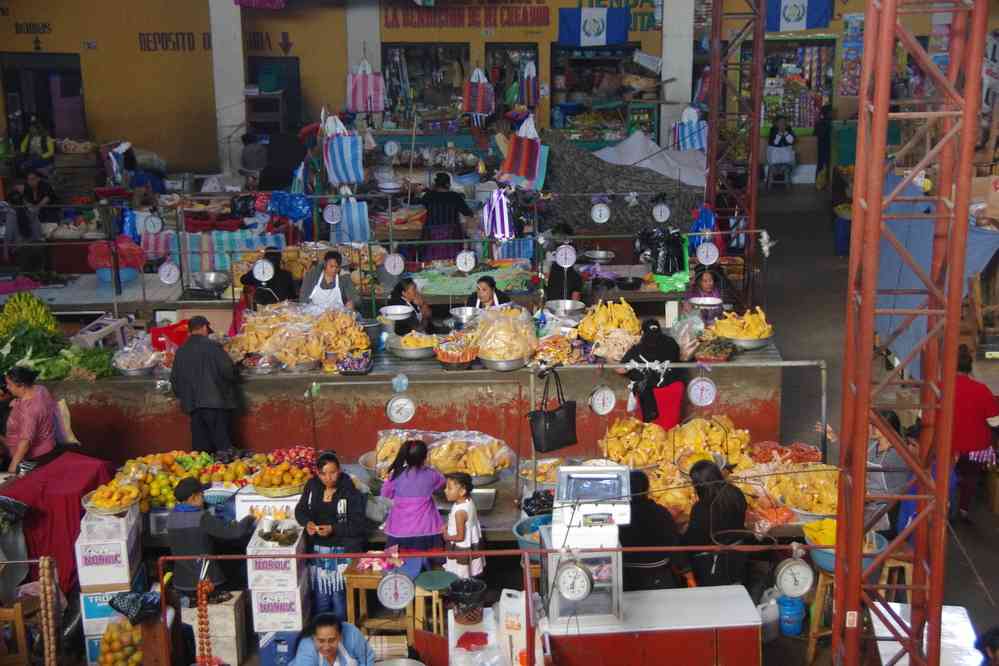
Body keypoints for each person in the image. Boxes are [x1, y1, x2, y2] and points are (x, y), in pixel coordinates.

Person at [294, 452, 367, 621]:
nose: (329, 477)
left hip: (342, 551)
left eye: (333, 472)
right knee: (321, 599)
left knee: (339, 599)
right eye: (323, 474)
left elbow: (358, 524)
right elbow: (300, 510)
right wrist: (308, 523)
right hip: (318, 553)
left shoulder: (349, 490)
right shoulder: (312, 486)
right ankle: (324, 638)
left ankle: (342, 635)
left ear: (339, 470)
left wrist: (333, 529)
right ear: (317, 473)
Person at [165, 477, 255, 598]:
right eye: (202, 495)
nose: (204, 498)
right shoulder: (201, 518)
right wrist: (251, 517)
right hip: (207, 583)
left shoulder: (171, 517)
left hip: (181, 582)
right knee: (238, 569)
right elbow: (235, 532)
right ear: (193, 498)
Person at [169, 316, 239, 455]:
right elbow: (228, 371)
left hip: (193, 407)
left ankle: (203, 474)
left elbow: (174, 380)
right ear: (204, 328)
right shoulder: (213, 347)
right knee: (223, 448)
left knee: (201, 452)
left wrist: (186, 397)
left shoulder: (181, 351)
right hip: (215, 404)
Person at [616, 319, 696, 429]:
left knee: (653, 431)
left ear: (642, 333)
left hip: (651, 396)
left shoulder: (637, 350)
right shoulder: (671, 343)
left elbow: (621, 370)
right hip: (673, 392)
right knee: (671, 427)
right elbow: (680, 357)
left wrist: (608, 360)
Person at [951, 345, 999, 522]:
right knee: (970, 479)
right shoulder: (982, 390)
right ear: (970, 368)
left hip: (948, 448)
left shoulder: (939, 387)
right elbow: (995, 422)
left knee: (946, 478)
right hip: (976, 448)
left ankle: (945, 507)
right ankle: (963, 509)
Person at [683, 460, 748, 586]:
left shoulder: (701, 508)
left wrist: (685, 530)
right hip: (737, 557)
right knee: (735, 592)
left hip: (715, 565)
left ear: (699, 485)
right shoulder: (736, 493)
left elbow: (694, 540)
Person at [619, 470, 685, 591]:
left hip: (627, 576)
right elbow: (675, 545)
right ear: (648, 489)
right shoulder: (661, 512)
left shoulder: (619, 514)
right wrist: (687, 573)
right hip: (658, 576)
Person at [380, 440, 445, 556]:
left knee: (401, 565)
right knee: (428, 564)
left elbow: (385, 494)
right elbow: (441, 483)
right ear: (424, 457)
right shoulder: (432, 474)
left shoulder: (395, 475)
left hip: (399, 531)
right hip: (427, 531)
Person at [0, 367, 57, 473]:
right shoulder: (40, 389)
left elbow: (25, 442)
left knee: (13, 485)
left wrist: (12, 468)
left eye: (10, 385)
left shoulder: (29, 412)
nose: (7, 388)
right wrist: (18, 401)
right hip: (47, 445)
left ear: (21, 385)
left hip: (32, 458)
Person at [866, 410, 910, 536]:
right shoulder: (873, 446)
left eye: (874, 425)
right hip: (870, 504)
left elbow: (900, 489)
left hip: (887, 511)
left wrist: (871, 496)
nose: (870, 428)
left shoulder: (897, 454)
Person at [415, 172, 473, 262]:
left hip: (432, 237)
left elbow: (417, 203)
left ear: (436, 184)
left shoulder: (429, 196)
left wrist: (420, 192)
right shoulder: (455, 196)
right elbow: (468, 213)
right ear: (448, 184)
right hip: (452, 237)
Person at [442, 472, 484, 579]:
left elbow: (460, 537)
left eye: (449, 488)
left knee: (460, 571)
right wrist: (448, 524)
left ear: (462, 491)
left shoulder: (460, 512)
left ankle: (462, 588)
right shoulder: (469, 502)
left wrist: (447, 536)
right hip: (471, 543)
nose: (445, 490)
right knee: (468, 570)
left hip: (461, 547)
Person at [290, 613, 375, 666]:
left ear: (340, 636)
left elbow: (367, 659)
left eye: (331, 640)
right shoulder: (307, 648)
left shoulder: (352, 634)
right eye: (321, 641)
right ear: (313, 638)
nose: (326, 647)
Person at [543, 223, 583, 303]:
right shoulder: (554, 247)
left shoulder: (558, 248)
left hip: (555, 298)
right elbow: (575, 301)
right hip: (558, 282)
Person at [767, 115, 796, 186]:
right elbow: (775, 143)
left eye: (784, 122)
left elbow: (791, 141)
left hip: (786, 157)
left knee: (792, 161)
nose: (782, 123)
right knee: (775, 165)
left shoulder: (788, 128)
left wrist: (785, 133)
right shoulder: (773, 129)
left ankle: (783, 170)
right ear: (776, 123)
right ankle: (778, 171)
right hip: (774, 157)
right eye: (780, 122)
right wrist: (780, 133)